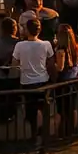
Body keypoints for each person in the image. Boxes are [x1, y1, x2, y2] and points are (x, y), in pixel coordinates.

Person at [11, 18, 55, 147]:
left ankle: (34, 135)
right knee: (43, 108)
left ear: (27, 30)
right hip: (43, 80)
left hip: (27, 81)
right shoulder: (46, 44)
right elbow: (51, 63)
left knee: (31, 110)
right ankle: (44, 134)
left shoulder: (19, 45)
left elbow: (14, 64)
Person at [0, 16, 21, 125]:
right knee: (13, 98)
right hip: (15, 74)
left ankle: (1, 119)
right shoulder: (19, 43)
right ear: (14, 29)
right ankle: (12, 116)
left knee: (0, 98)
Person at [51, 23, 78, 137]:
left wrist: (51, 65)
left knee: (61, 110)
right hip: (74, 80)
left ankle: (60, 132)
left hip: (63, 82)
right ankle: (74, 130)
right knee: (73, 108)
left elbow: (60, 67)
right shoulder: (76, 47)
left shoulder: (61, 50)